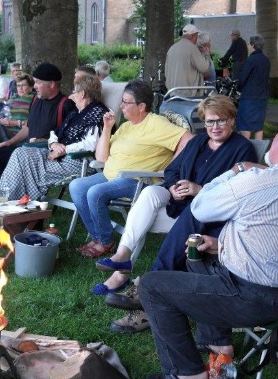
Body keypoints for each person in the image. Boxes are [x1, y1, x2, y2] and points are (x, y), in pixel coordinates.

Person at [139, 113, 278, 379]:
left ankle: (186, 372)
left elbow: (200, 206)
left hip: (251, 299)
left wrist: (236, 170)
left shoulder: (260, 180)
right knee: (199, 258)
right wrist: (222, 246)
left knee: (151, 286)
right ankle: (218, 343)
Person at [92, 95, 257, 299]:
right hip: (176, 205)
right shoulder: (197, 142)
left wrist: (199, 190)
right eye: (209, 121)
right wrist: (172, 187)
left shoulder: (242, 149)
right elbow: (171, 170)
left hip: (202, 220)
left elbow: (239, 191)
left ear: (232, 120)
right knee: (150, 193)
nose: (214, 127)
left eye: (221, 121)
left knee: (140, 219)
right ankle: (122, 256)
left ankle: (125, 276)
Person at [69, 79, 193, 259]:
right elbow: (101, 158)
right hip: (110, 176)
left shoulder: (156, 124)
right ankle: (98, 237)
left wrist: (170, 168)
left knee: (95, 192)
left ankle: (105, 242)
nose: (121, 106)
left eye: (126, 102)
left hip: (138, 181)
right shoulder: (126, 126)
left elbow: (188, 139)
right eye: (122, 101)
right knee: (77, 186)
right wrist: (107, 128)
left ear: (141, 106)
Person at [0, 75, 108, 201]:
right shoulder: (76, 113)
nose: (71, 96)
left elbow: (91, 144)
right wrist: (53, 144)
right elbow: (55, 133)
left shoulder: (97, 113)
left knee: (27, 167)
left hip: (77, 161)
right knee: (20, 153)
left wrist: (64, 149)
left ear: (82, 94)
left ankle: (9, 202)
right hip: (59, 156)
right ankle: (9, 201)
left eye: (74, 92)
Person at [0, 62, 76, 181]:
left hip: (44, 154)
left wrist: (45, 141)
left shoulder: (65, 105)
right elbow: (28, 127)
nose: (34, 86)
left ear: (51, 84)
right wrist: (9, 142)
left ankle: (4, 189)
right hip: (27, 149)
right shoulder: (36, 99)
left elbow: (69, 139)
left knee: (12, 158)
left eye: (38, 82)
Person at [236, 34, 271, 140]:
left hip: (249, 97)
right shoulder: (266, 60)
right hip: (262, 97)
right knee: (258, 127)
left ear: (252, 45)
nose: (247, 46)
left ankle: (244, 148)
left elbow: (243, 78)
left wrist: (238, 87)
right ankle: (259, 149)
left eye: (248, 44)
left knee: (245, 126)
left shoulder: (251, 60)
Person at [165, 24, 212, 98]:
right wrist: (207, 53)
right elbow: (204, 68)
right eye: (197, 36)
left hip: (173, 93)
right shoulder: (192, 48)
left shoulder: (172, 48)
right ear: (193, 36)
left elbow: (166, 72)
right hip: (188, 94)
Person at [0, 72, 35, 143]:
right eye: (18, 85)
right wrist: (2, 120)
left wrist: (15, 123)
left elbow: (34, 122)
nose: (20, 88)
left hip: (21, 136)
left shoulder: (34, 100)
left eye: (23, 85)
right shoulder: (12, 99)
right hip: (5, 132)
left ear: (30, 87)